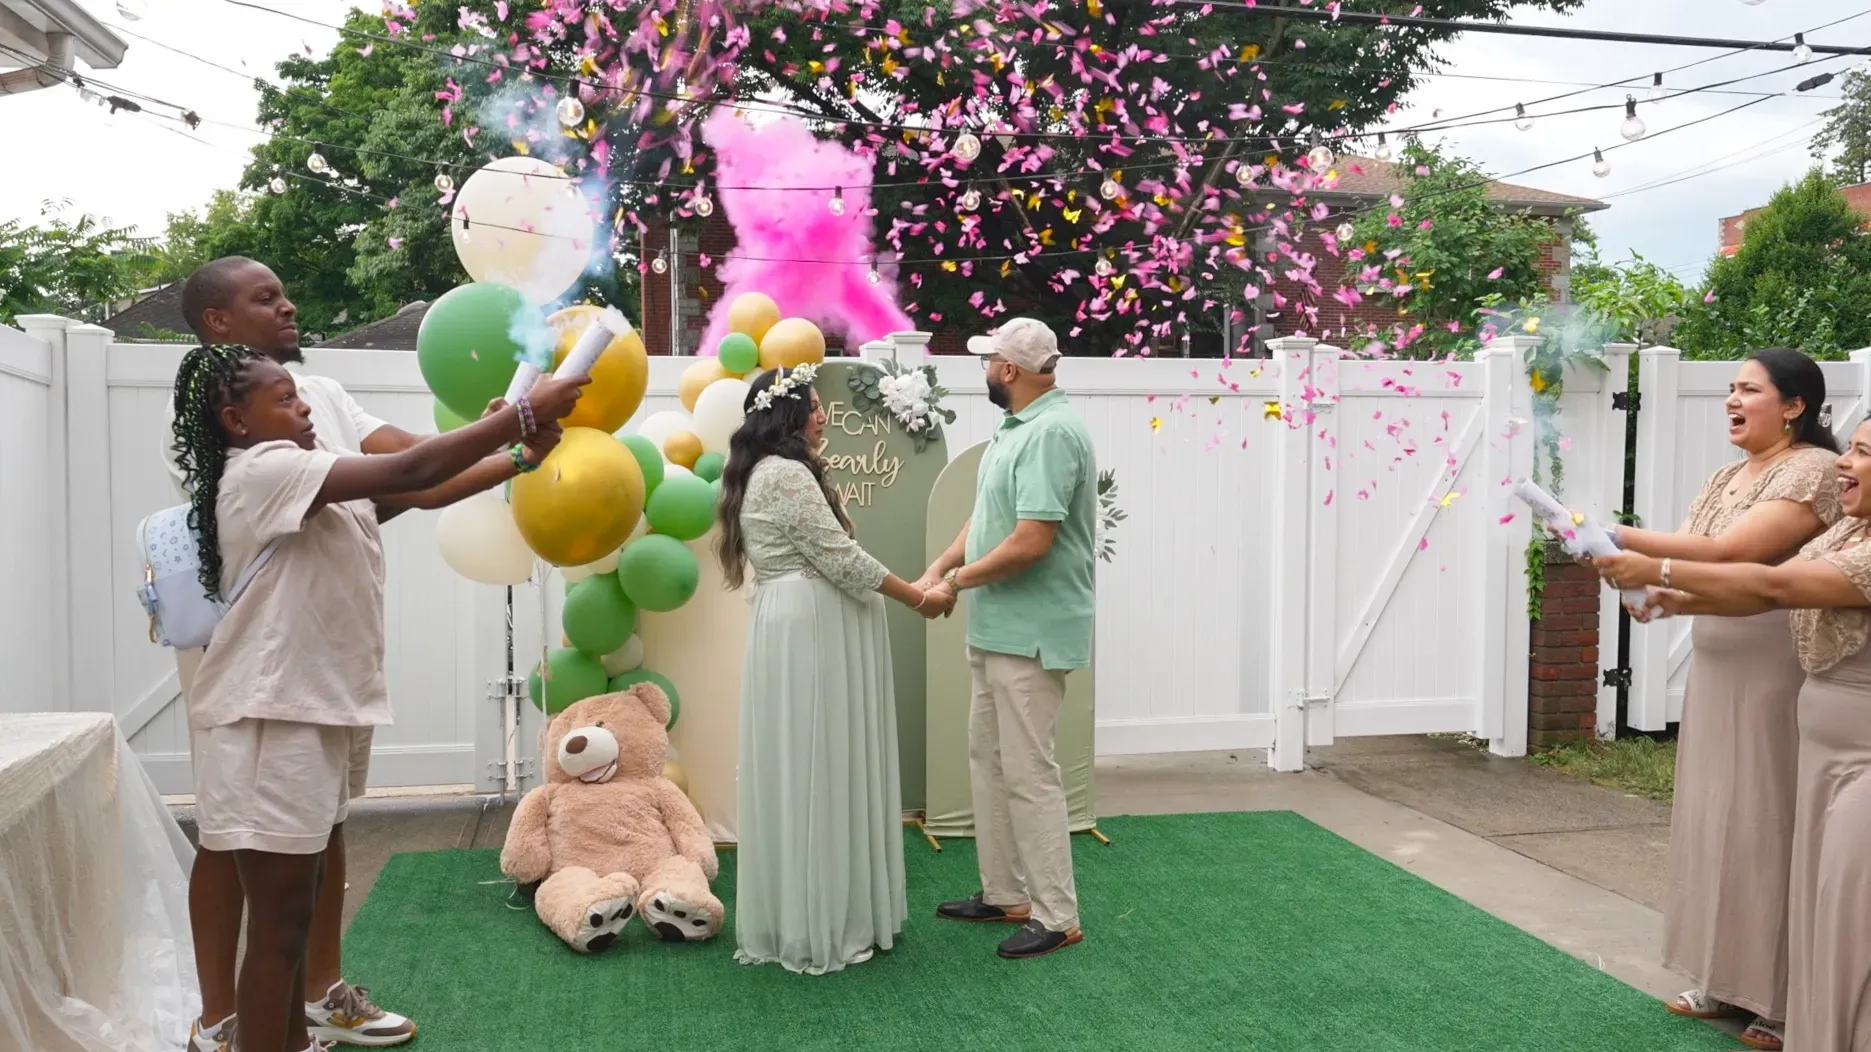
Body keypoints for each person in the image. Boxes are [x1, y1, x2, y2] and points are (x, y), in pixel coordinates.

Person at [166, 257, 552, 1051]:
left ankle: (301, 1025)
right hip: (272, 706)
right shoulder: (263, 462)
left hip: (316, 695)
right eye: (286, 399)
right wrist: (512, 425)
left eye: (301, 396)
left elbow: (416, 482)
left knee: (294, 903)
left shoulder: (292, 441)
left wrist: (514, 453)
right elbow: (410, 468)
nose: (305, 406)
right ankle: (233, 1029)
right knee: (271, 916)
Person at [1581, 349, 1839, 1051]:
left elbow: (1734, 556)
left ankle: (1782, 995)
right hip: (1716, 671)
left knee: (1767, 822)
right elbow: (1699, 556)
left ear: (1793, 405)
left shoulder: (1811, 470)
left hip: (1774, 674)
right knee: (1714, 819)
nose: (1732, 399)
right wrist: (1663, 598)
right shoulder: (1728, 473)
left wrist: (1615, 536)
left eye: (1747, 390)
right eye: (1728, 388)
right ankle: (1725, 976)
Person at [714, 364, 948, 975]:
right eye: (814, 406)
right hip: (810, 630)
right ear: (787, 415)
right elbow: (841, 559)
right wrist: (919, 597)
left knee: (809, 762)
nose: (824, 415)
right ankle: (823, 922)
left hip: (798, 623)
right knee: (820, 762)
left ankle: (812, 911)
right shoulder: (786, 474)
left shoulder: (764, 473)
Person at [920, 317, 1097, 960]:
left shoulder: (1051, 433)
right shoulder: (1016, 427)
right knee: (990, 764)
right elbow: (988, 517)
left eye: (989, 359)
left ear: (1011, 372)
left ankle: (1058, 916)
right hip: (999, 627)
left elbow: (1030, 541)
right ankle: (1006, 896)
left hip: (1033, 633)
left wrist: (954, 582)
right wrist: (938, 570)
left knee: (1029, 774)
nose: (984, 369)